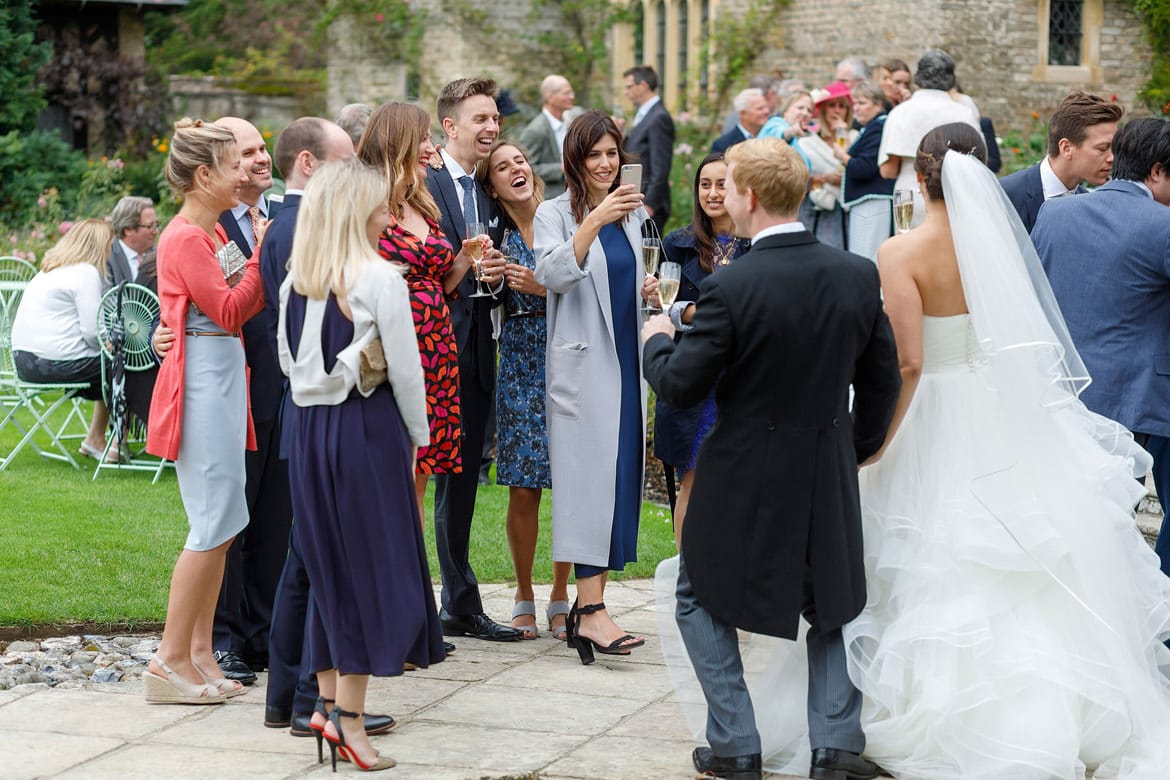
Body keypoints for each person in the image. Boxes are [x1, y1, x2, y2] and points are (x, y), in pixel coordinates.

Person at [845, 121, 1170, 778]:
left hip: (929, 406)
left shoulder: (899, 252)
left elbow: (909, 363)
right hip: (991, 408)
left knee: (919, 554)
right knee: (1012, 559)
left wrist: (879, 439)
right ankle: (1051, 717)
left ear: (920, 175)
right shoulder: (996, 245)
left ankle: (920, 710)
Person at [642, 137, 900, 780]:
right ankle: (837, 747)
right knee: (834, 600)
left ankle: (735, 745)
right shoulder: (856, 273)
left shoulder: (732, 287)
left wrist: (656, 338)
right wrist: (856, 446)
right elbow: (883, 382)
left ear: (749, 197)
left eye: (726, 186)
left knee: (696, 592)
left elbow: (679, 384)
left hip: (742, 471)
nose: (720, 196)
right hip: (826, 461)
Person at [277, 158, 444, 772]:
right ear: (356, 211)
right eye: (380, 205)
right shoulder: (379, 278)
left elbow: (288, 367)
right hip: (367, 433)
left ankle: (325, 706)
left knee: (328, 572)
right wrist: (417, 445)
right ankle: (349, 720)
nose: (387, 213)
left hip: (310, 433)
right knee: (380, 577)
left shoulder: (297, 278)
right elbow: (407, 373)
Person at [256, 117, 395, 740]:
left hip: (308, 413)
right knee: (321, 563)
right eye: (345, 164)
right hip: (322, 415)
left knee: (306, 562)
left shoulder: (284, 228)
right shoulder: (300, 233)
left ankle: (292, 700)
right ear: (312, 167)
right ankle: (317, 702)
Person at [143, 117, 262, 705]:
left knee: (226, 521)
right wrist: (265, 258)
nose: (242, 172)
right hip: (202, 387)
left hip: (220, 380)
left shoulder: (212, 235)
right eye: (232, 163)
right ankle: (167, 662)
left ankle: (199, 654)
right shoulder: (188, 238)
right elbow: (229, 310)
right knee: (211, 523)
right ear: (203, 175)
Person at [534, 110, 658, 664]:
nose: (607, 165)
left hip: (627, 364)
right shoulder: (552, 214)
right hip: (584, 370)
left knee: (620, 485)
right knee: (588, 488)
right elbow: (552, 275)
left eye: (614, 154)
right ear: (575, 162)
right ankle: (588, 613)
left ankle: (596, 605)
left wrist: (650, 286)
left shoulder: (636, 218)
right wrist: (594, 221)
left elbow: (628, 280)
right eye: (596, 156)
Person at [1034, 117, 1170, 579]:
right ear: (1155, 172)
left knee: (1076, 519)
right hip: (1139, 399)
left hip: (1063, 392)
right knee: (1127, 522)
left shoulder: (1055, 213)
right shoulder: (1163, 224)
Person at [425, 77, 522, 643]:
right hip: (434, 350)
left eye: (495, 119)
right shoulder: (425, 183)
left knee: (462, 482)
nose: (491, 128)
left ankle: (459, 603)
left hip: (480, 350)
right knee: (433, 479)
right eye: (480, 119)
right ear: (450, 127)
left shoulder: (487, 192)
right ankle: (428, 603)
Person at [476, 139, 573, 640]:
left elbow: (585, 282)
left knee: (571, 480)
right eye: (501, 166)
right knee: (524, 482)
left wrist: (544, 286)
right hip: (518, 354)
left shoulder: (565, 218)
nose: (515, 168)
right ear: (491, 185)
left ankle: (561, 592)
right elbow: (485, 295)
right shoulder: (494, 235)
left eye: (519, 161)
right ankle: (523, 591)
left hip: (569, 350)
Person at [358, 102, 473, 524]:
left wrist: (462, 260)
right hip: (392, 348)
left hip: (437, 349)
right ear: (400, 142)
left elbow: (437, 283)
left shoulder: (421, 203)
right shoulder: (364, 202)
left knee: (420, 471)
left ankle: (411, 578)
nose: (431, 147)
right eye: (424, 139)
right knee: (389, 469)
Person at [209, 116, 291, 687]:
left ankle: (265, 633)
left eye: (264, 148)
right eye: (248, 152)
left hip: (286, 389)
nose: (262, 158)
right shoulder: (211, 228)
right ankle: (224, 638)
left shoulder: (283, 217)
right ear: (221, 165)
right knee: (232, 521)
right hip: (236, 392)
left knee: (275, 519)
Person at [653, 152, 749, 548]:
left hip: (743, 377)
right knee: (692, 475)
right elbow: (662, 304)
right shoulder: (678, 243)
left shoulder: (755, 244)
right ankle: (686, 575)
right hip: (696, 376)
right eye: (704, 184)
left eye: (721, 183)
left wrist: (696, 312)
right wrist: (691, 311)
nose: (712, 192)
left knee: (741, 477)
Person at [11, 219, 119, 462]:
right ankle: (117, 442)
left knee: (109, 363)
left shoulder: (48, 271)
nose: (110, 252)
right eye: (109, 245)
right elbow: (93, 333)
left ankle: (96, 438)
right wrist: (112, 346)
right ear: (98, 246)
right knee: (123, 362)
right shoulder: (86, 273)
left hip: (24, 362)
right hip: (53, 363)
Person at [878, 49, 978, 229]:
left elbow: (888, 171)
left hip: (908, 196)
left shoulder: (900, 112)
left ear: (918, 77)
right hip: (952, 195)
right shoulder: (964, 113)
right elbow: (977, 164)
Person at [1000, 91, 1123, 232]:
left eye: (1114, 148)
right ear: (1066, 148)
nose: (1112, 158)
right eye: (1102, 148)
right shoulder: (1006, 195)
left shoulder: (1092, 204)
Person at [837, 81, 894, 261]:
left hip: (872, 203)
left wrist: (842, 156)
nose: (856, 108)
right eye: (855, 103)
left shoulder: (878, 127)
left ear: (878, 105)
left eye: (862, 103)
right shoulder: (871, 127)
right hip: (868, 202)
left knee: (867, 257)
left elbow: (865, 168)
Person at [796, 82, 855, 249]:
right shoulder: (807, 142)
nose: (837, 110)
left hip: (848, 212)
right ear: (823, 109)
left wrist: (843, 134)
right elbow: (799, 178)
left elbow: (858, 165)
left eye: (842, 106)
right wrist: (823, 179)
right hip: (817, 212)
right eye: (832, 105)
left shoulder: (856, 137)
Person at [622, 65, 675, 234]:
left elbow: (661, 165)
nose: (626, 92)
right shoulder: (645, 113)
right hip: (637, 199)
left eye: (629, 86)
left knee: (648, 257)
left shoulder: (659, 117)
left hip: (649, 204)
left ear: (643, 86)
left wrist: (650, 204)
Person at [519, 74, 577, 198]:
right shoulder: (535, 130)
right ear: (550, 97)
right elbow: (526, 168)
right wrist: (561, 168)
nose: (572, 97)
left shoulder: (570, 122)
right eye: (566, 93)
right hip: (549, 200)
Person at [107, 196, 158, 288]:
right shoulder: (107, 258)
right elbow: (108, 299)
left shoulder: (157, 256)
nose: (156, 231)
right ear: (128, 230)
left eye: (157, 225)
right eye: (150, 226)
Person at [757, 90, 815, 169]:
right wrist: (792, 131)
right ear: (786, 110)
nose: (805, 113)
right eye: (800, 108)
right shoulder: (775, 123)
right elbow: (777, 135)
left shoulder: (804, 138)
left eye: (809, 110)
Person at [711, 88, 770, 153]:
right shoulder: (723, 145)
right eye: (760, 108)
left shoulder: (772, 137)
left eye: (766, 107)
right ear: (743, 113)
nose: (766, 111)